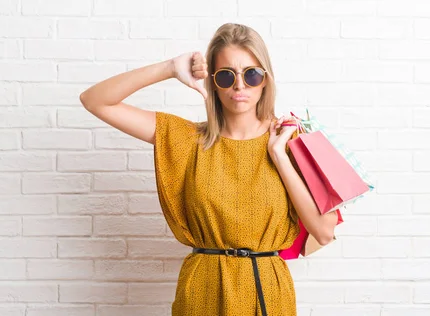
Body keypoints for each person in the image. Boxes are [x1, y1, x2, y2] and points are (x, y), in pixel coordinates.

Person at [80, 23, 338, 316]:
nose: (240, 86)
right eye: (227, 76)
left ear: (266, 79)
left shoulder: (292, 139)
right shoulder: (186, 140)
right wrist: (169, 67)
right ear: (213, 82)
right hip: (203, 288)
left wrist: (279, 156)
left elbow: (324, 231)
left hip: (266, 290)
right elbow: (95, 100)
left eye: (251, 74)